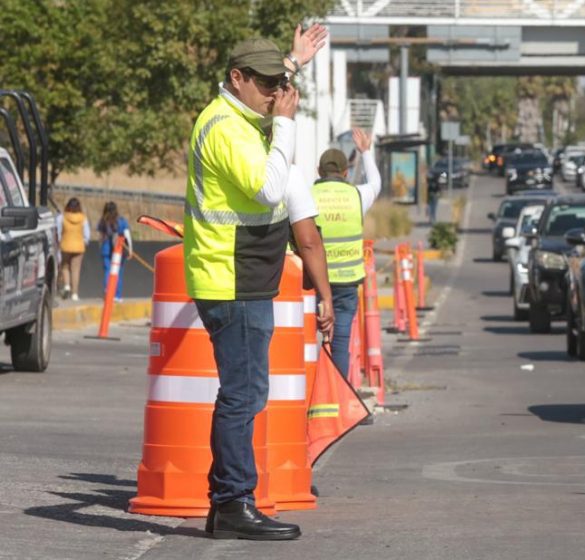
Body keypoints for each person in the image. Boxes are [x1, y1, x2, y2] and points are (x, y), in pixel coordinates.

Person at [184, 25, 329, 541]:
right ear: (236, 78)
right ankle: (231, 503)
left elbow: (271, 82)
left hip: (242, 278)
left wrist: (294, 61)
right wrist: (286, 126)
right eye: (265, 84)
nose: (275, 93)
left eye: (279, 84)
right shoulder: (225, 127)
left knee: (244, 392)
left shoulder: (243, 113)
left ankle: (227, 501)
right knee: (243, 396)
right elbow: (269, 191)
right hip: (231, 279)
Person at [311, 127, 382, 377]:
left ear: (319, 172)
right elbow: (375, 184)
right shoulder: (356, 195)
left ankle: (310, 398)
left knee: (308, 341)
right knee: (340, 341)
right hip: (345, 283)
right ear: (345, 172)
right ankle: (336, 400)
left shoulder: (307, 196)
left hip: (313, 283)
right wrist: (366, 152)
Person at [97, 201, 131, 302]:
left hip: (106, 249)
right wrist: (130, 250)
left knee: (108, 271)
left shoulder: (103, 221)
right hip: (119, 250)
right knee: (119, 273)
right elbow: (127, 236)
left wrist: (101, 247)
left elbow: (100, 237)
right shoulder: (121, 221)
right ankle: (117, 295)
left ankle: (108, 291)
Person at [57, 198, 90, 300]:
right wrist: (84, 243)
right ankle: (74, 294)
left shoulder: (62, 217)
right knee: (75, 270)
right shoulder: (83, 218)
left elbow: (58, 232)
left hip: (65, 246)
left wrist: (59, 242)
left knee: (65, 267)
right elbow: (87, 235)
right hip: (79, 247)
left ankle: (66, 286)